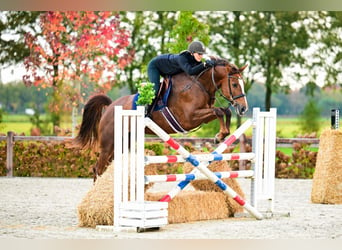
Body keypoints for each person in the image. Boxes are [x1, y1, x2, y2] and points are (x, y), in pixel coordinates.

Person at [146, 41, 215, 114]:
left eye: (202, 54)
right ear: (192, 53)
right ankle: (146, 110)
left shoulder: (195, 60)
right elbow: (190, 71)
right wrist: (204, 65)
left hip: (168, 70)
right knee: (155, 90)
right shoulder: (182, 58)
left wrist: (210, 65)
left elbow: (199, 71)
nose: (201, 56)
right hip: (155, 66)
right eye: (199, 54)